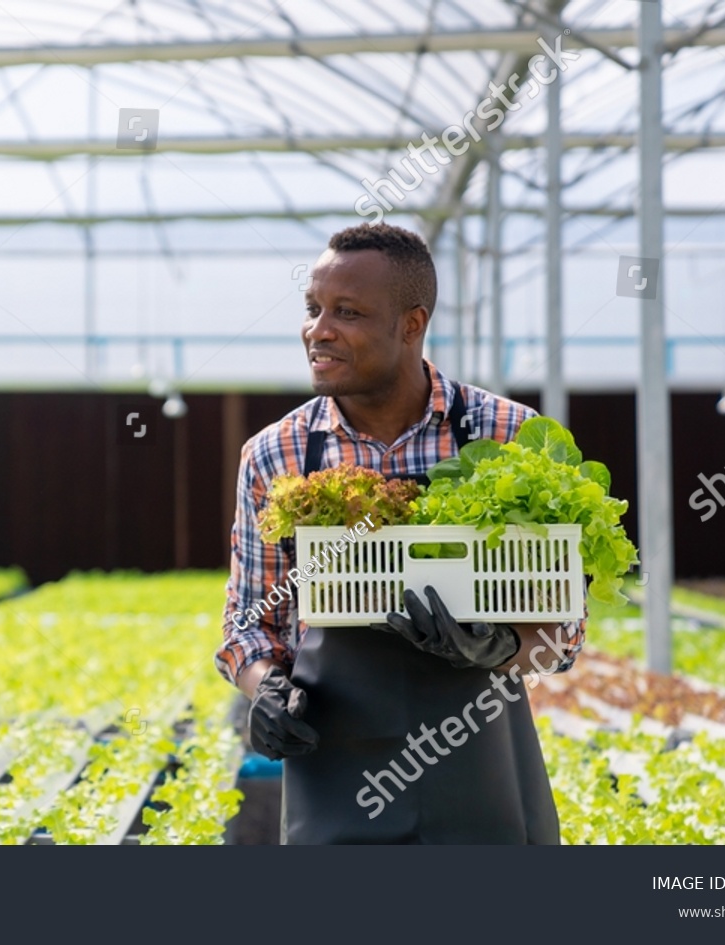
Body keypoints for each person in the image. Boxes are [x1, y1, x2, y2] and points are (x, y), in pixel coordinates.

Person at [216, 223, 587, 844]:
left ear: (412, 324)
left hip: (480, 759)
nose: (318, 330)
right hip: (334, 757)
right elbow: (247, 624)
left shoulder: (510, 438)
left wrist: (497, 648)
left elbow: (564, 638)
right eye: (313, 309)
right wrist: (266, 690)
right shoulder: (277, 455)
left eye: (347, 312)